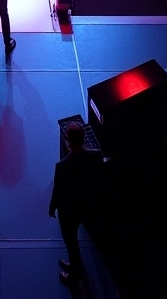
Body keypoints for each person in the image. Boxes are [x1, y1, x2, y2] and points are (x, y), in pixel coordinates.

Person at [48, 121, 104, 286]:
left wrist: (52, 207)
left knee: (71, 242)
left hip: (69, 211)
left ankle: (74, 275)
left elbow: (57, 190)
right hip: (87, 206)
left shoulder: (62, 166)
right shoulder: (96, 156)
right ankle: (74, 265)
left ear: (67, 141)